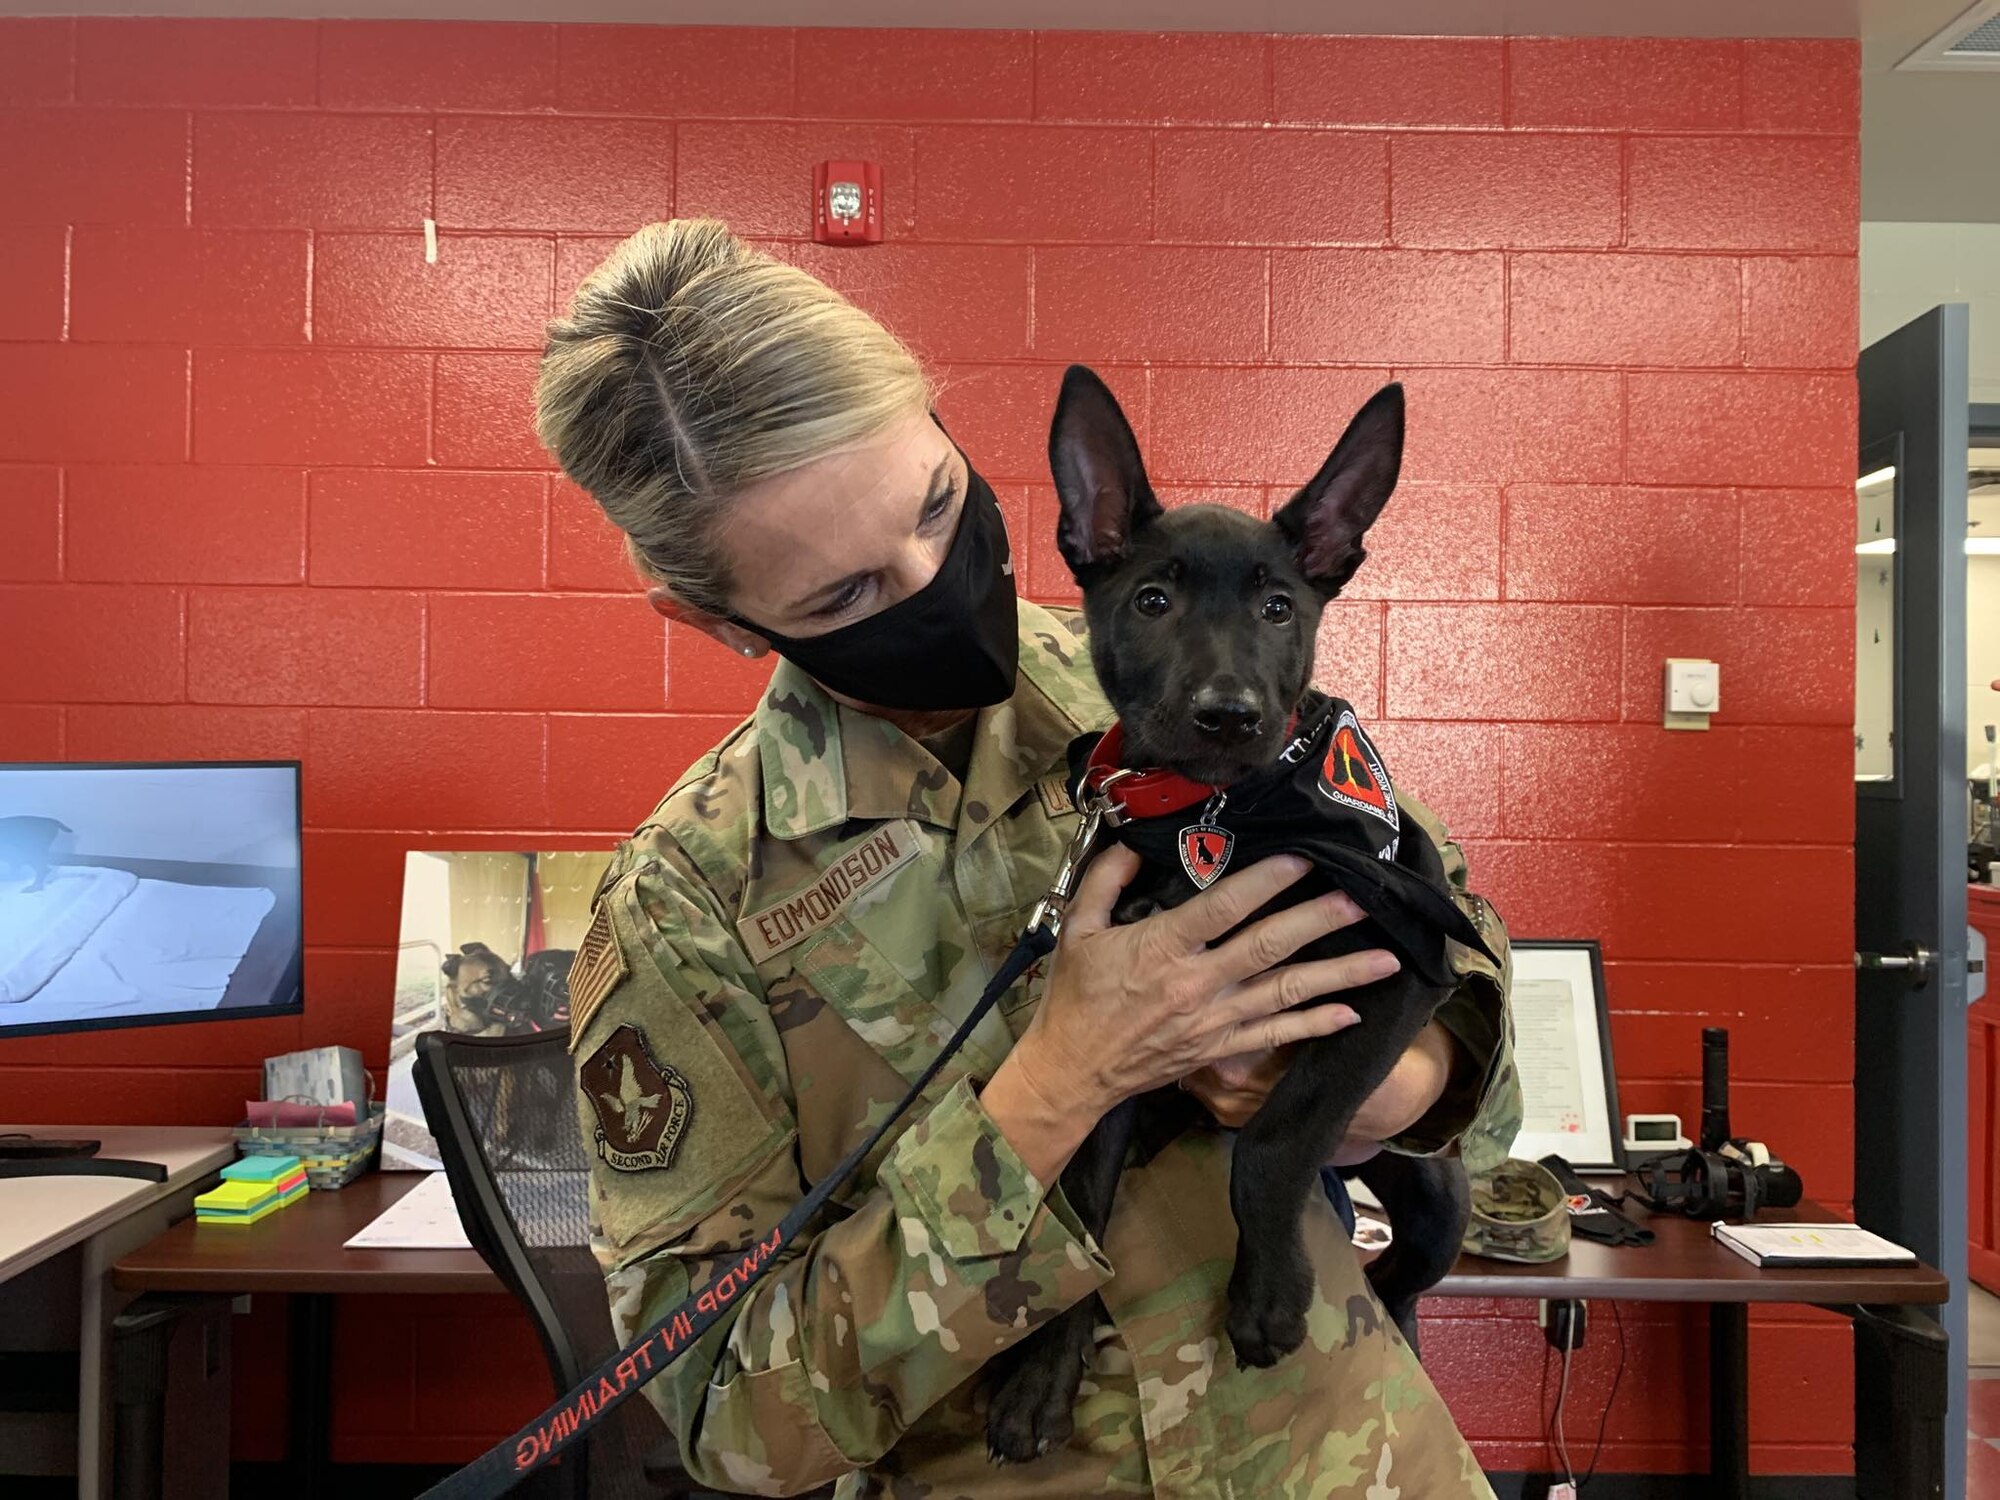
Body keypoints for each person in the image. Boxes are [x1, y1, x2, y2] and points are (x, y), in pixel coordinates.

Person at [536, 219, 1520, 1499]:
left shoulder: (1197, 696)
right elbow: (727, 1420)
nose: (934, 580)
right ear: (712, 619)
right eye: (844, 594)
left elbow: (1482, 1042)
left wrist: (1389, 1087)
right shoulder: (689, 903)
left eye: (939, 506)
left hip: (1360, 1468)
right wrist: (1053, 1087)